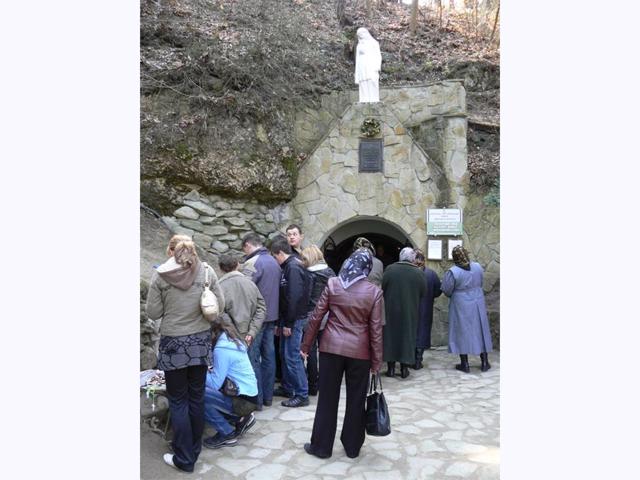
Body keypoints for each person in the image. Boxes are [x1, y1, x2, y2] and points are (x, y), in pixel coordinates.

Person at [146, 235, 225, 473]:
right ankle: (193, 450)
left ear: (171, 251)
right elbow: (220, 305)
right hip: (200, 342)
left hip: (173, 344)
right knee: (196, 398)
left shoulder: (161, 275)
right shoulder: (207, 272)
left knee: (178, 400)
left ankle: (184, 457)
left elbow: (153, 312)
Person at [300, 248, 383, 459]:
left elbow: (316, 317)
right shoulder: (374, 292)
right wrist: (376, 362)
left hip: (330, 349)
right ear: (367, 267)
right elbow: (375, 330)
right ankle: (352, 447)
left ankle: (321, 447)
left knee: (327, 399)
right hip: (360, 353)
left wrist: (305, 346)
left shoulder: (333, 284)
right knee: (356, 400)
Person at [203, 315, 259, 449]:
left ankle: (227, 434)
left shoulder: (221, 349)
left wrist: (198, 372)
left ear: (212, 333)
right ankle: (241, 419)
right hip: (250, 396)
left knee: (197, 395)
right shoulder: (232, 340)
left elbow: (215, 383)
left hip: (242, 401)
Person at [217, 254, 266, 406]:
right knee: (252, 366)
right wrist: (252, 331)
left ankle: (239, 407)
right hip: (250, 334)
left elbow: (220, 312)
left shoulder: (219, 287)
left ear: (220, 268)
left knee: (234, 371)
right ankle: (257, 402)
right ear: (237, 264)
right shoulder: (250, 284)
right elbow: (261, 309)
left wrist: (233, 331)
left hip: (230, 336)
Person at [240, 232, 281, 408]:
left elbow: (245, 290)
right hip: (272, 316)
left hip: (256, 318)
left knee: (253, 357)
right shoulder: (274, 261)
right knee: (269, 356)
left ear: (248, 245)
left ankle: (256, 400)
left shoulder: (252, 263)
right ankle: (268, 397)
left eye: (244, 249)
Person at [270, 236, 312, 407]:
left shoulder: (293, 267)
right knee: (284, 354)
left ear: (280, 253)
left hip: (294, 319)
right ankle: (288, 387)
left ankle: (302, 394)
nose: (275, 260)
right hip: (288, 318)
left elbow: (294, 297)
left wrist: (288, 323)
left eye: (274, 257)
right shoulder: (289, 266)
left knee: (292, 356)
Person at [441, 245, 493, 373]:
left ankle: (465, 364)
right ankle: (484, 362)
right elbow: (481, 282)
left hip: (460, 304)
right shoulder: (477, 267)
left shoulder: (453, 272)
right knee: (480, 329)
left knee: (461, 331)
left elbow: (447, 290)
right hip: (477, 301)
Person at [381, 247, 426, 379]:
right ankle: (404, 369)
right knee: (407, 337)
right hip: (410, 310)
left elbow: (382, 287)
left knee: (390, 337)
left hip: (391, 310)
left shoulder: (390, 269)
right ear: (412, 259)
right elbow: (423, 292)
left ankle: (390, 368)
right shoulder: (418, 273)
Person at [300, 245, 336, 396]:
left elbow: (305, 297)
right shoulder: (331, 273)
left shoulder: (308, 274)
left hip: (310, 315)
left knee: (310, 350)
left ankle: (313, 385)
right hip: (328, 315)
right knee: (326, 351)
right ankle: (325, 383)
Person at [412, 249, 442, 370]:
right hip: (426, 307)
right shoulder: (431, 274)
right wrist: (430, 296)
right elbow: (438, 290)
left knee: (411, 332)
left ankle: (411, 359)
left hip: (411, 307)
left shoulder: (410, 273)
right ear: (424, 261)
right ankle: (418, 360)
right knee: (423, 332)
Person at [355, 27, 382, 103]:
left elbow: (378, 55)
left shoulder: (374, 43)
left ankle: (373, 98)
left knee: (372, 80)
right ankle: (364, 98)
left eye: (362, 34)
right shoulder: (359, 45)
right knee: (363, 81)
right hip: (362, 65)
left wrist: (377, 66)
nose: (361, 36)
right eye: (359, 35)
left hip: (371, 65)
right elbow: (357, 58)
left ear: (366, 33)